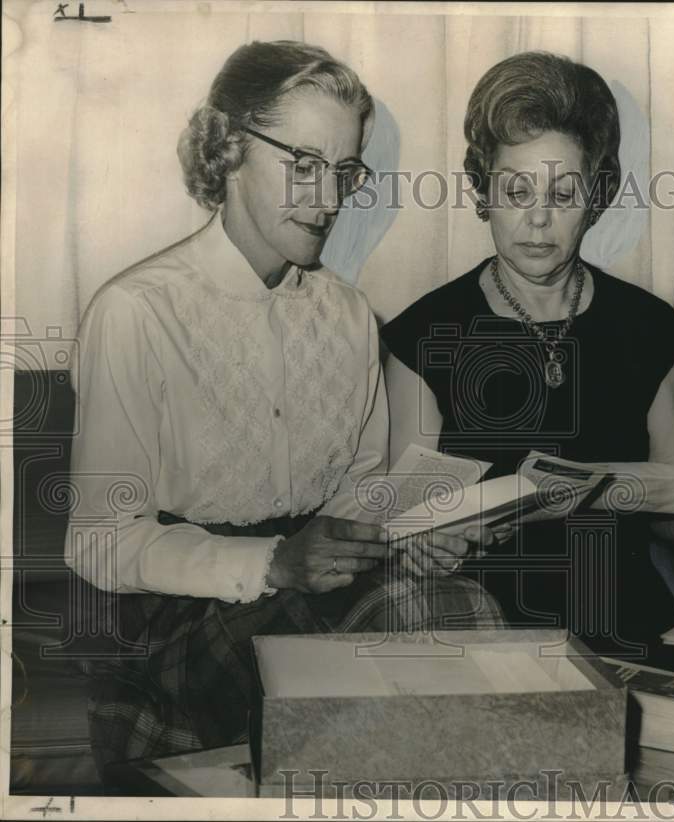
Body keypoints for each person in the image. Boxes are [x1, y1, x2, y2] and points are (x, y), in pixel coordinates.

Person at [65, 40, 502, 779]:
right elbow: (98, 542)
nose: (327, 199)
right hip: (179, 618)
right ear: (227, 147)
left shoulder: (350, 316)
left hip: (324, 597)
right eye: (302, 164)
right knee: (429, 624)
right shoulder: (136, 312)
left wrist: (412, 535)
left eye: (343, 171)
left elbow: (360, 496)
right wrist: (274, 562)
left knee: (460, 609)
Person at [381, 52, 674, 658]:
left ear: (596, 195)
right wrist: (422, 543)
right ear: (482, 190)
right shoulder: (423, 335)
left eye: (563, 191)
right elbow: (410, 520)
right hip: (478, 624)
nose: (539, 218)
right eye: (517, 189)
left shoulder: (651, 328)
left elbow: (670, 516)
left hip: (622, 617)